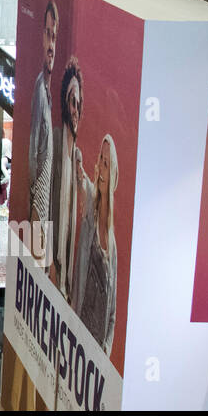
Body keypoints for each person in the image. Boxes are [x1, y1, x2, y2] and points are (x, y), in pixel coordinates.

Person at [70, 135, 119, 354]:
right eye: (100, 158)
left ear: (113, 174)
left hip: (98, 352)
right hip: (78, 338)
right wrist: (78, 163)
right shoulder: (91, 211)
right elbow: (82, 179)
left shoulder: (112, 246)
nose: (100, 167)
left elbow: (112, 312)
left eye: (106, 164)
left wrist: (106, 348)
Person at [50, 57, 84, 301]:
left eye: (79, 104)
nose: (75, 110)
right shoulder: (54, 141)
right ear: (65, 103)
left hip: (67, 285)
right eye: (72, 102)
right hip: (50, 269)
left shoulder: (77, 159)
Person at [28, 1, 58, 268]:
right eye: (48, 34)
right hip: (39, 188)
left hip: (45, 189)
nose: (51, 44)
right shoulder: (40, 87)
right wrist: (34, 189)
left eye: (55, 36)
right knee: (38, 250)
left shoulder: (49, 90)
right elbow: (34, 147)